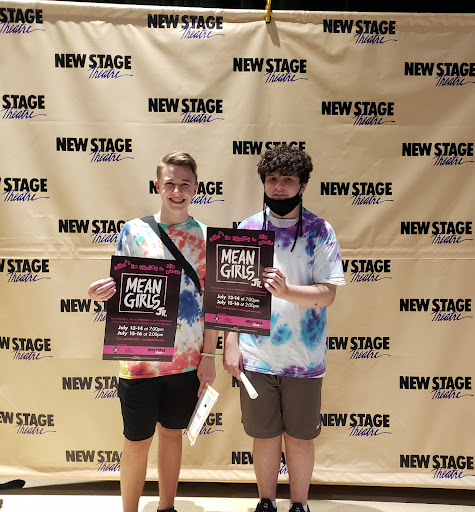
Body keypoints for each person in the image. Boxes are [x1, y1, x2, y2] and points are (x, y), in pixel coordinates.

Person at [89, 151, 217, 512]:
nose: (177, 191)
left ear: (196, 188)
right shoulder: (133, 230)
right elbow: (122, 290)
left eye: (185, 184)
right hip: (139, 361)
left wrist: (209, 355)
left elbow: (213, 304)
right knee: (136, 441)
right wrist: (102, 293)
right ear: (158, 185)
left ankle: (167, 508)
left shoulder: (208, 237)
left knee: (172, 435)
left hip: (186, 361)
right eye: (170, 183)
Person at [223, 144, 345, 512]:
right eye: (272, 179)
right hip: (256, 355)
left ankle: (299, 504)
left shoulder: (320, 230)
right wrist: (230, 343)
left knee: (300, 437)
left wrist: (286, 290)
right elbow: (232, 296)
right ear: (263, 182)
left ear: (302, 185)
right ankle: (266, 502)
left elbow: (327, 295)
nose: (279, 186)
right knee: (264, 435)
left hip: (304, 358)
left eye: (288, 179)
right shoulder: (247, 229)